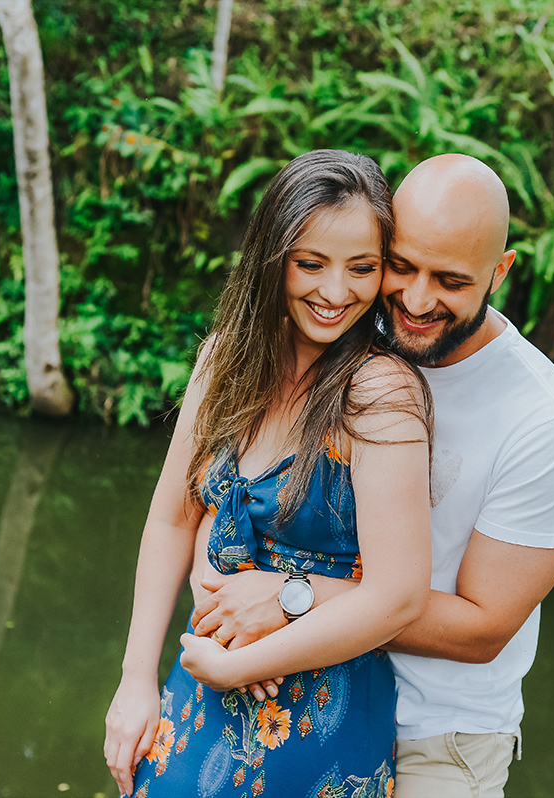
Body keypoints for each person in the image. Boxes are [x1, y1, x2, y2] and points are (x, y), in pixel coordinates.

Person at [191, 154, 554, 797]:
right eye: (401, 266)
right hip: (293, 689)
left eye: (451, 280)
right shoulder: (345, 329)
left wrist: (292, 596)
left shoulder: (547, 423)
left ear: (501, 270)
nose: (415, 299)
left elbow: (484, 628)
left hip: (439, 737)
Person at [103, 149, 433, 798]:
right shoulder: (225, 361)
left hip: (319, 718)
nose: (336, 292)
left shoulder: (380, 393)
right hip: (198, 684)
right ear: (272, 258)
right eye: (311, 264)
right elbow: (173, 519)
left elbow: (398, 596)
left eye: (361, 269)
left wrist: (244, 664)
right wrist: (136, 678)